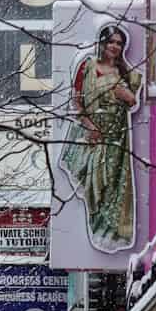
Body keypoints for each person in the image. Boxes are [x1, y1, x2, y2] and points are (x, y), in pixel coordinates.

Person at [59, 25, 142, 252]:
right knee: (93, 184)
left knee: (114, 186)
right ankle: (97, 230)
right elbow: (77, 101)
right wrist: (90, 126)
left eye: (119, 43)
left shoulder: (127, 74)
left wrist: (124, 94)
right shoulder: (87, 66)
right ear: (103, 43)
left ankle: (113, 233)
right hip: (92, 136)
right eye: (112, 41)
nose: (115, 46)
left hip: (116, 136)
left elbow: (133, 100)